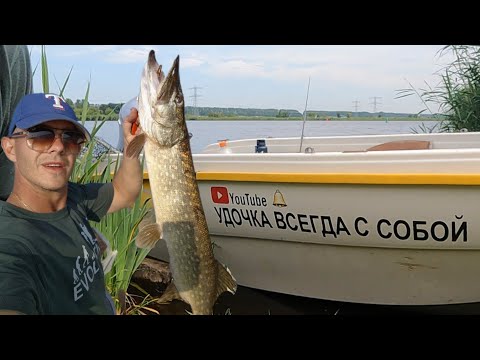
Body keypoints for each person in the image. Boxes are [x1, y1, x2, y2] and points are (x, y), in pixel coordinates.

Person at [0, 93, 145, 315]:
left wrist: (131, 146)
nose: (58, 147)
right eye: (40, 135)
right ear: (10, 148)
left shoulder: (72, 198)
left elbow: (124, 193)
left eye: (70, 137)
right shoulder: (11, 244)